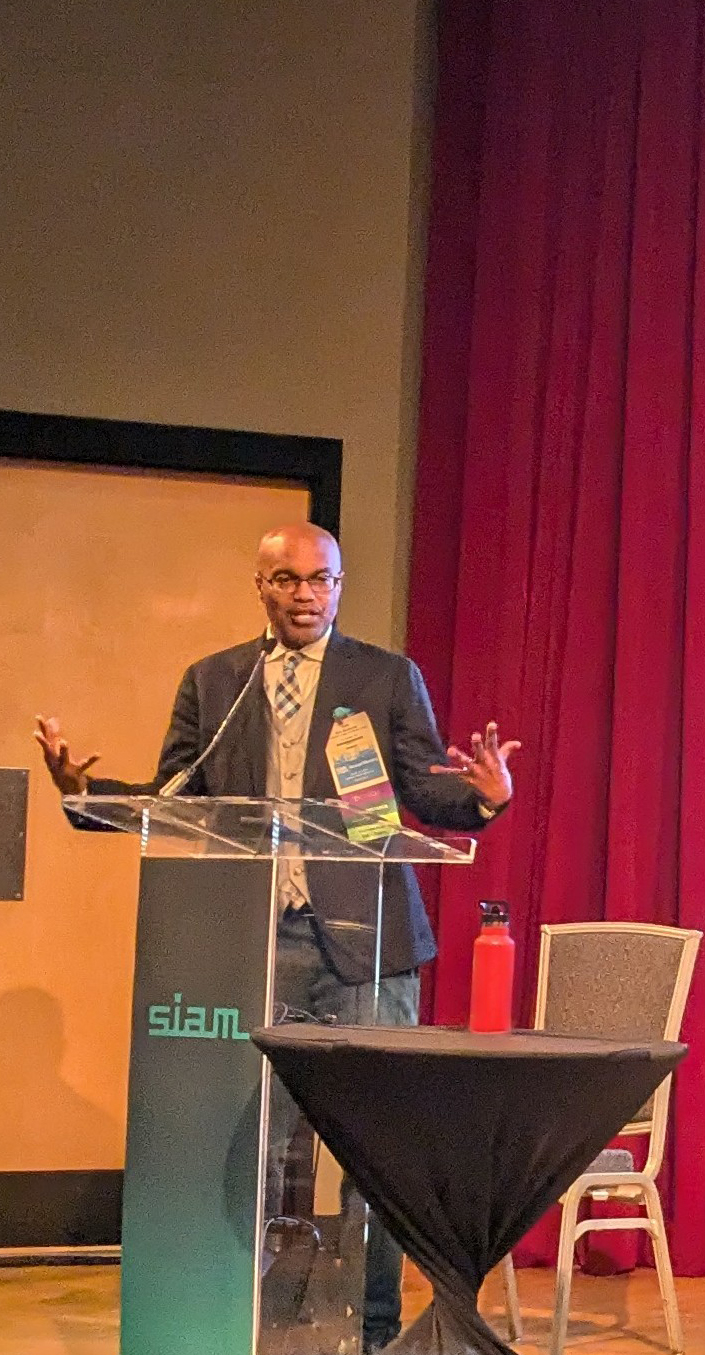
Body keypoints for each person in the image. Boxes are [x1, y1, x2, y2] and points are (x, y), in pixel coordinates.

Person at [35, 521, 517, 1354]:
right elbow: (179, 793)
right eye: (289, 580)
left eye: (322, 579)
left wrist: (483, 799)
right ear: (259, 586)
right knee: (264, 1154)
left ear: (339, 585)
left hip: (370, 944)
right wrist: (89, 794)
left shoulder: (385, 676)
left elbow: (416, 800)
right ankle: (261, 1321)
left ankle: (373, 1333)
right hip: (260, 941)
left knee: (380, 1156)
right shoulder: (216, 680)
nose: (306, 594)